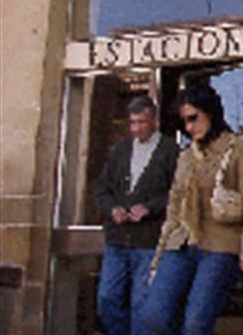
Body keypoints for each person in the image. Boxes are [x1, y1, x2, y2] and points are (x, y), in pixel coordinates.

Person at [139, 84, 243, 335]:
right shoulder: (186, 156)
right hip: (181, 244)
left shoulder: (239, 147)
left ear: (211, 112)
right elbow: (173, 211)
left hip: (220, 246)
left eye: (193, 118)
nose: (188, 127)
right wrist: (158, 260)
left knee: (196, 324)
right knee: (154, 314)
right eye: (183, 122)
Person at [95, 96, 179, 335]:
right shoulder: (119, 150)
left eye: (141, 122)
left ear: (154, 120)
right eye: (132, 123)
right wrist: (112, 209)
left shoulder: (170, 150)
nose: (136, 128)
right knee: (106, 299)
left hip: (149, 241)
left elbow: (180, 194)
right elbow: (102, 189)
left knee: (142, 306)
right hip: (117, 239)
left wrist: (150, 208)